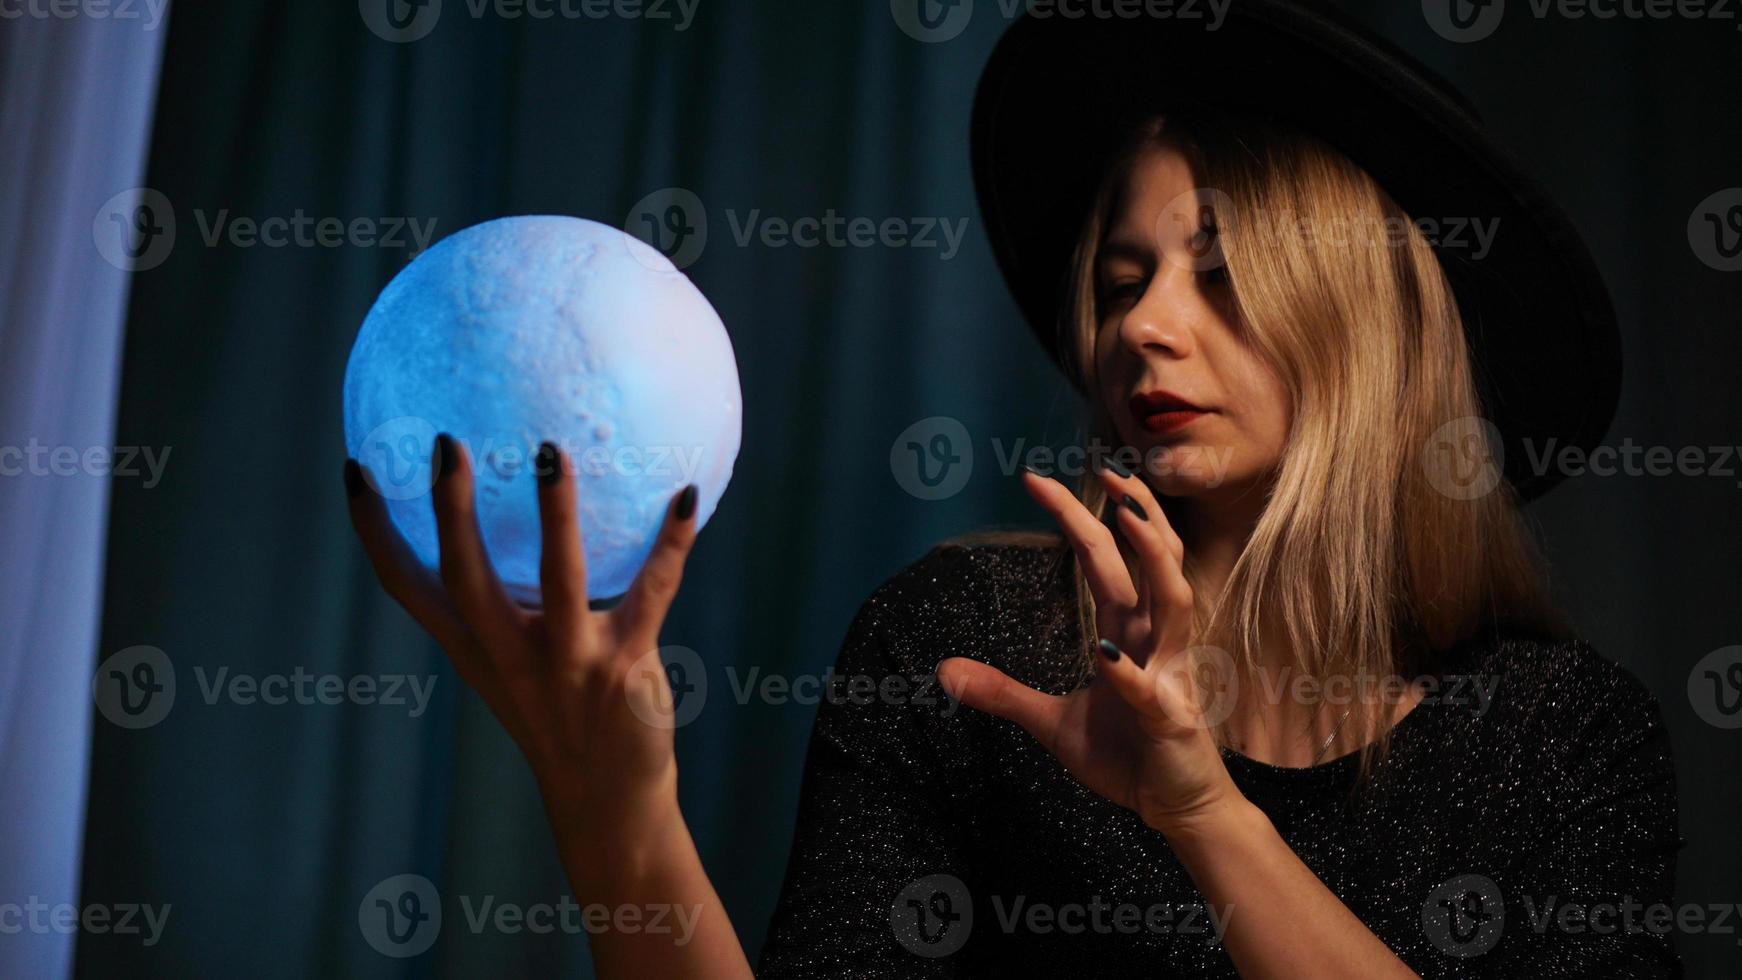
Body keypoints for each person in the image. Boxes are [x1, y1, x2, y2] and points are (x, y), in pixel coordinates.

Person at [342, 4, 1683, 976]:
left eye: (1215, 271)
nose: (1143, 327)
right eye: (1118, 280)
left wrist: (1200, 811)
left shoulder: (1557, 738)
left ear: (1372, 321)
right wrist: (611, 806)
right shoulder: (966, 645)